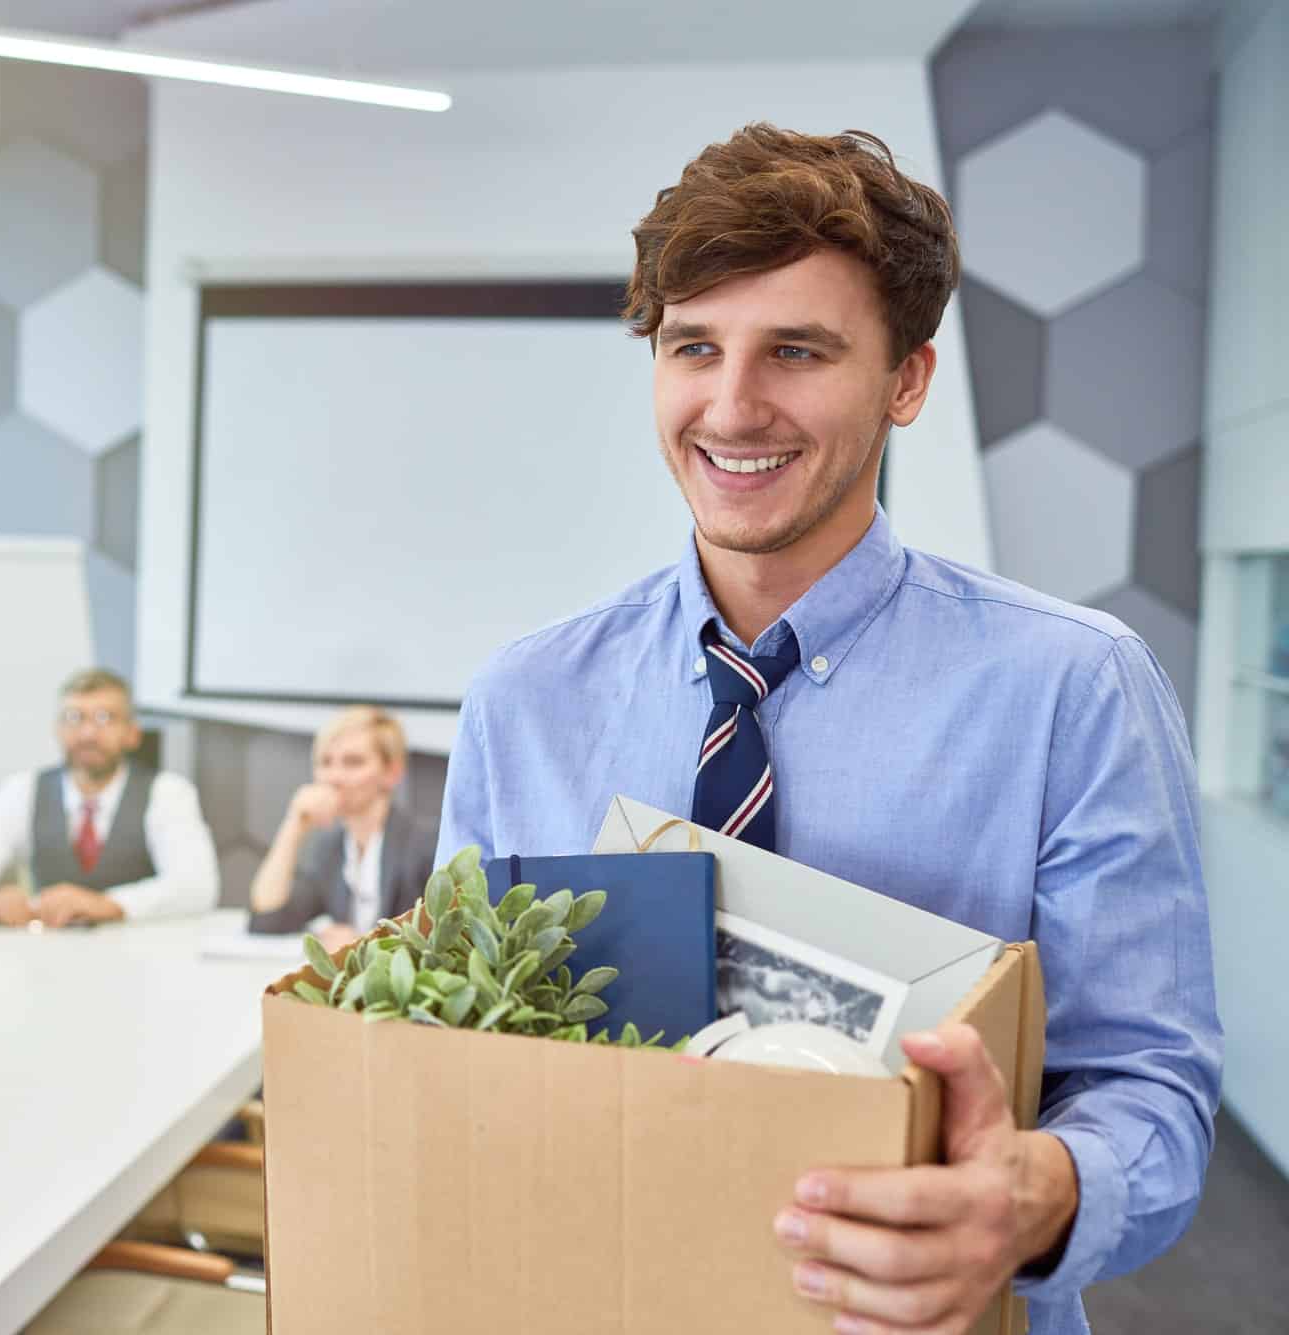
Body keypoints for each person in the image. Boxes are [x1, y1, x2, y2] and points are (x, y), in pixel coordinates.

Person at [435, 124, 1219, 1335]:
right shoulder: (523, 700)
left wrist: (1035, 1198)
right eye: (692, 347)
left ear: (906, 379)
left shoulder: (1073, 687)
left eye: (795, 351)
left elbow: (1146, 1088)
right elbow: (463, 1043)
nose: (732, 405)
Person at [0, 668, 218, 927]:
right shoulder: (24, 790)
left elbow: (196, 885)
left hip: (142, 956)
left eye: (105, 718)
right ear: (57, 730)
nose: (87, 733)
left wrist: (106, 904)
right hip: (45, 960)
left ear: (132, 734)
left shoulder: (167, 793)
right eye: (74, 718)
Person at [247, 706, 438, 952]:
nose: (334, 777)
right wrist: (294, 824)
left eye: (353, 762)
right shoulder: (331, 849)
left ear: (392, 772)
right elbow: (267, 920)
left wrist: (366, 944)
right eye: (325, 762)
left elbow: (443, 947)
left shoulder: (426, 844)